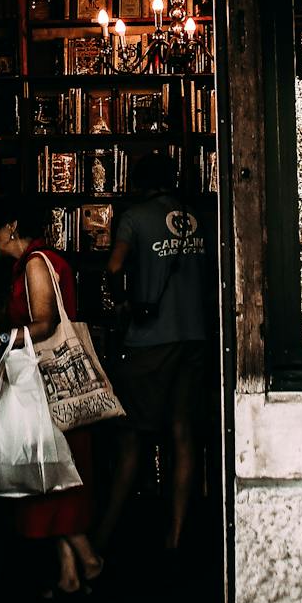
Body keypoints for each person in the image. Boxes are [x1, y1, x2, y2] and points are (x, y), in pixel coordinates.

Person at [0, 202, 103, 596]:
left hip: (45, 385)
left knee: (49, 473)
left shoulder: (35, 264)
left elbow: (45, 323)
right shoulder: (37, 262)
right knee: (54, 475)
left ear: (11, 225)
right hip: (50, 385)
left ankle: (90, 559)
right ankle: (70, 574)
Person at [99, 154, 215, 555]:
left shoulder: (133, 217)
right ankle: (178, 534)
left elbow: (114, 267)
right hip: (196, 336)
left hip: (149, 340)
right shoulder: (199, 216)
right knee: (184, 434)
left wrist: (122, 303)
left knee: (130, 434)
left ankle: (104, 537)